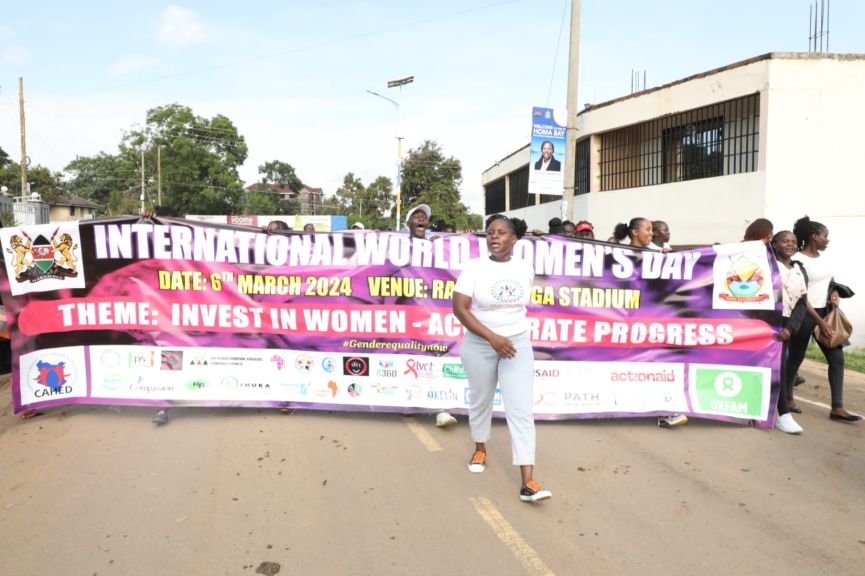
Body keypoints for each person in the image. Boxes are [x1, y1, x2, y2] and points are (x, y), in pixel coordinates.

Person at [453, 214, 552, 502]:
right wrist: (492, 338)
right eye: (490, 233)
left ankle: (528, 483)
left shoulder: (525, 268)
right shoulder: (474, 268)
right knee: (481, 399)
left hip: (517, 345)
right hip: (480, 344)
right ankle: (480, 447)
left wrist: (506, 339)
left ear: (514, 239)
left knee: (520, 410)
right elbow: (460, 309)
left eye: (501, 232)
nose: (494, 237)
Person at [788, 216, 861, 423]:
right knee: (795, 357)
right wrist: (820, 322)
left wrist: (835, 290)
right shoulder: (797, 261)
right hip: (804, 315)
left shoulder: (822, 258)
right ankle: (788, 398)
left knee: (837, 360)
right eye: (824, 236)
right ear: (813, 237)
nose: (827, 240)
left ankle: (837, 408)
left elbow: (829, 280)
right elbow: (801, 295)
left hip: (824, 313)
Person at [404, 204, 456, 428]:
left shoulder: (437, 246)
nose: (421, 219)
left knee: (437, 357)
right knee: (409, 358)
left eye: (424, 216)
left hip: (433, 311)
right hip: (405, 313)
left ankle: (441, 409)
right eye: (416, 216)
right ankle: (405, 401)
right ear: (409, 223)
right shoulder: (397, 246)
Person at [771, 231, 812, 433]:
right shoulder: (766, 265)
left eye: (793, 242)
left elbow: (802, 303)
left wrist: (790, 328)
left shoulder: (798, 269)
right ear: (774, 243)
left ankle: (783, 415)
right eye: (785, 241)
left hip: (787, 325)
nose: (790, 244)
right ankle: (782, 413)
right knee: (774, 368)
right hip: (768, 323)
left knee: (780, 368)